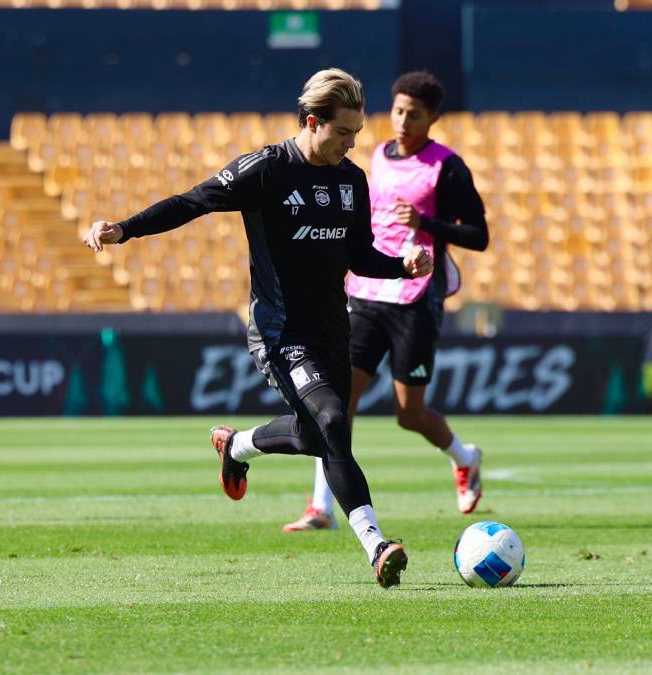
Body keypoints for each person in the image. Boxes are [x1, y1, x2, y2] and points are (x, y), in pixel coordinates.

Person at [84, 68, 432, 589]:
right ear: (312, 122)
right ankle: (377, 545)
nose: (351, 143)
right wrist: (125, 230)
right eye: (343, 132)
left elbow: (359, 256)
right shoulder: (267, 170)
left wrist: (401, 265)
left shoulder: (351, 180)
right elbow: (193, 201)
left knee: (318, 436)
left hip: (331, 328)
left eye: (357, 133)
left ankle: (238, 445)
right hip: (279, 329)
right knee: (335, 422)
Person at [282, 71, 490, 532]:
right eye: (397, 111)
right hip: (366, 293)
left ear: (433, 118)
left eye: (414, 115)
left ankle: (465, 456)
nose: (402, 122)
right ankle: (322, 507)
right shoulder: (375, 156)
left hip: (415, 296)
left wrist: (426, 224)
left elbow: (479, 235)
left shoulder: (447, 167)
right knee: (336, 404)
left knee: (408, 413)